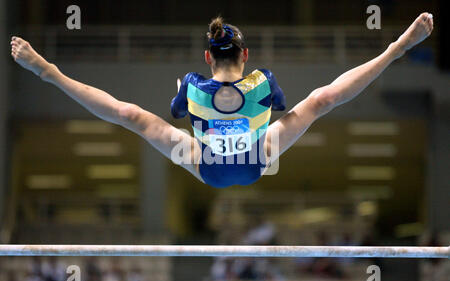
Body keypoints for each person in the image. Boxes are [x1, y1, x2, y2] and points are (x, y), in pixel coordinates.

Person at [10, 13, 434, 188]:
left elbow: (177, 113)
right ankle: (395, 49)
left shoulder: (191, 87)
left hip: (205, 165)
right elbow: (282, 106)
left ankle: (50, 72)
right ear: (245, 55)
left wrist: (187, 95)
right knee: (322, 100)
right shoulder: (264, 82)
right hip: (258, 159)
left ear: (207, 56)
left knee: (130, 115)